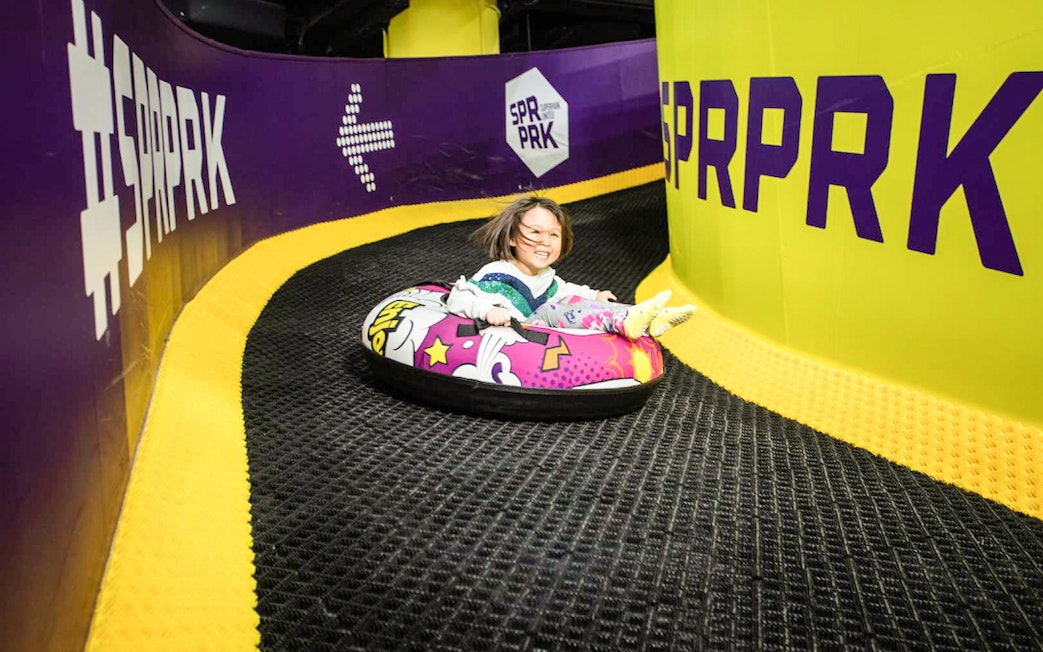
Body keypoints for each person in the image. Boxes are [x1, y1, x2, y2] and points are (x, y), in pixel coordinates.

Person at [446, 195, 696, 339]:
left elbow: (565, 289)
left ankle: (645, 317)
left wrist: (594, 296)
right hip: (522, 332)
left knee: (573, 300)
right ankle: (623, 321)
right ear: (511, 238)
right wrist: (487, 310)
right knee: (554, 309)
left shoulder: (546, 277)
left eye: (554, 235)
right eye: (535, 232)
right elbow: (458, 297)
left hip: (539, 324)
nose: (545, 241)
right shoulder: (496, 274)